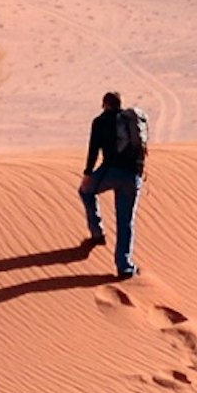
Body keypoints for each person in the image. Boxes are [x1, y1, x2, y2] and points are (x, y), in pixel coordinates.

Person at [77, 89, 146, 279]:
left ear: (105, 104)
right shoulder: (130, 122)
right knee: (126, 221)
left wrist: (88, 174)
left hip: (110, 172)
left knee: (85, 191)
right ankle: (124, 267)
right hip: (133, 175)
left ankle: (97, 232)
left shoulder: (100, 122)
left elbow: (93, 151)